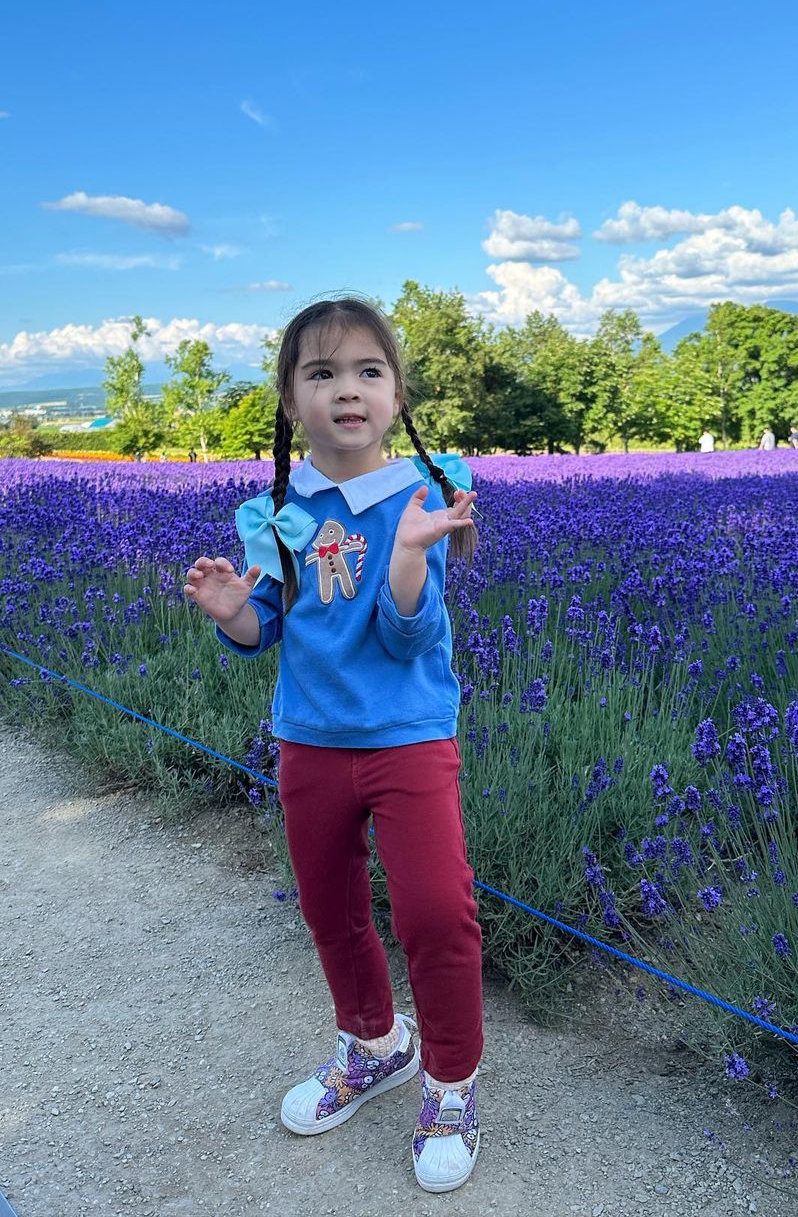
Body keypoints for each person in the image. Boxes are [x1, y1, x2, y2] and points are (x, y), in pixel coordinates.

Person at [183, 297, 483, 1194]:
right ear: (288, 400)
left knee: (435, 911)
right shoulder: (278, 506)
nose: (345, 390)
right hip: (308, 738)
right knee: (330, 906)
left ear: (395, 394)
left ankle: (452, 1080)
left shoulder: (425, 493)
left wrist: (403, 564)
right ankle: (374, 1043)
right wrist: (236, 614)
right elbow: (269, 626)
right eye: (321, 373)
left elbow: (406, 641)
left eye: (367, 371)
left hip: (407, 737)